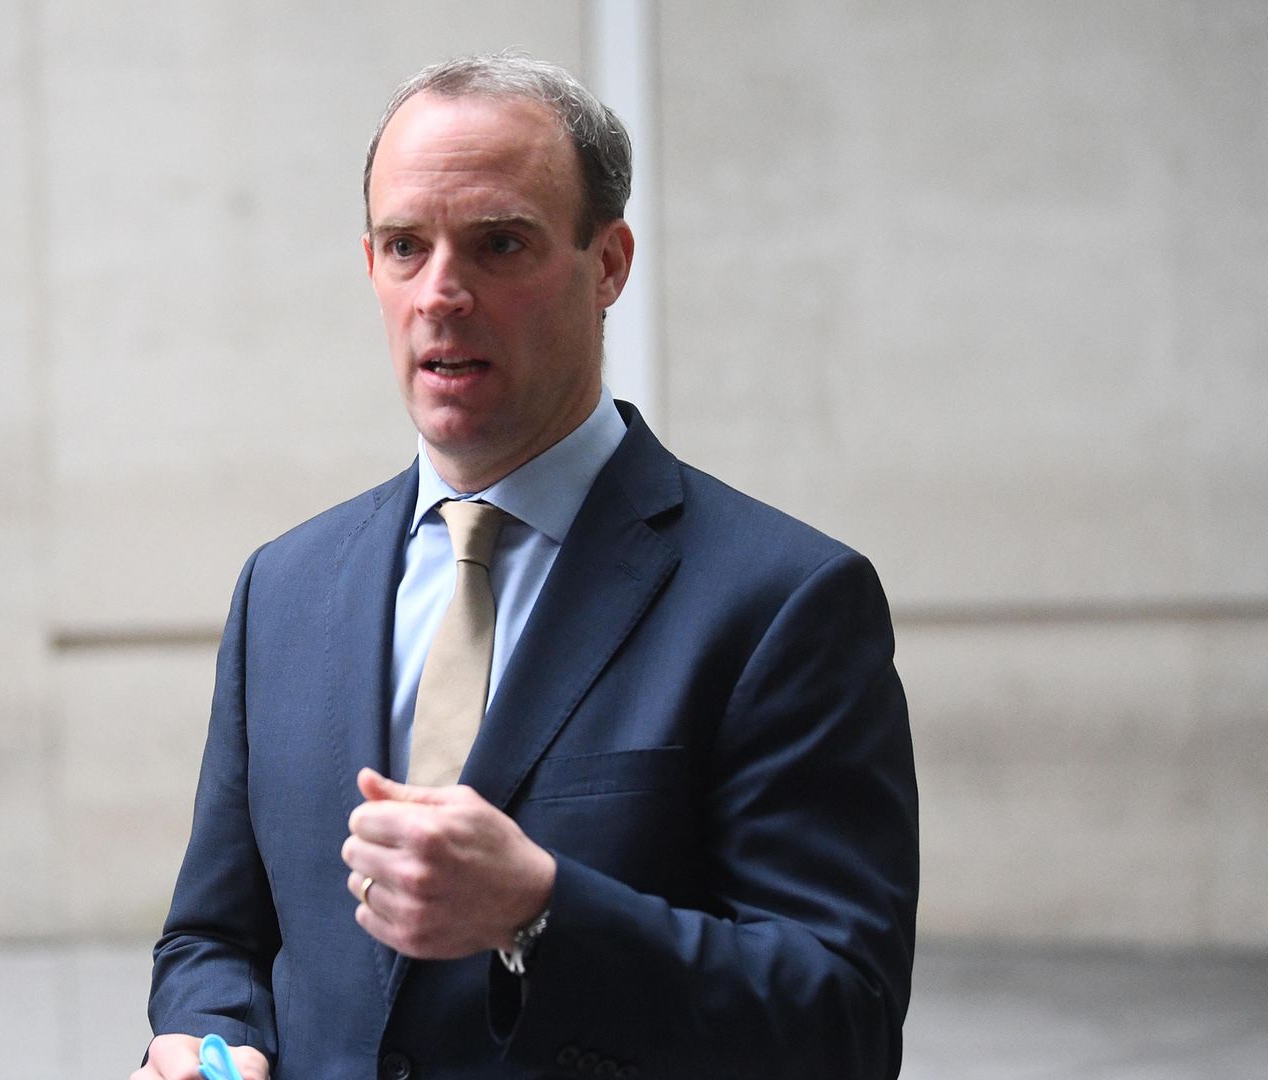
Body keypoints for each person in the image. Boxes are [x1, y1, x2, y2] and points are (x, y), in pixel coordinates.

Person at [137, 52, 918, 1080]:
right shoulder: (283, 588)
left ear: (610, 265)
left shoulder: (783, 601)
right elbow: (215, 939)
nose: (442, 293)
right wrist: (205, 1038)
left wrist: (542, 911)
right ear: (368, 263)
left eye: (499, 244)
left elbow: (841, 1022)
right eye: (405, 246)